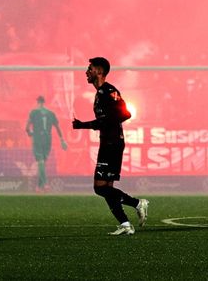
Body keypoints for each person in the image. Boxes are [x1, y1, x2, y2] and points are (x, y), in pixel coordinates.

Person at [72, 57, 148, 235]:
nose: (86, 72)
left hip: (112, 143)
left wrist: (87, 124)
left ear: (99, 71)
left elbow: (125, 113)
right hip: (109, 141)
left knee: (100, 188)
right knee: (108, 189)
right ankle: (125, 224)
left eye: (89, 68)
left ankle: (137, 203)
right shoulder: (100, 94)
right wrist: (86, 125)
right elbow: (105, 121)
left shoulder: (109, 91)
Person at [25, 94, 67, 191]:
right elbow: (57, 127)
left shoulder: (34, 112)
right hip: (48, 139)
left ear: (37, 102)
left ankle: (45, 183)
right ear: (44, 102)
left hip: (38, 138)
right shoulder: (51, 113)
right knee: (42, 163)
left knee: (40, 162)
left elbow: (27, 127)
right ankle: (39, 187)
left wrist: (30, 133)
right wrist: (62, 140)